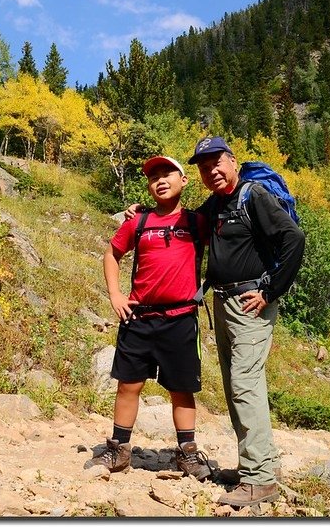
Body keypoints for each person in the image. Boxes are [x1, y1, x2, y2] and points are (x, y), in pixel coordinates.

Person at [125, 137, 305, 507]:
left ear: (233, 161)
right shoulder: (219, 202)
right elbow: (182, 219)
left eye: (217, 164)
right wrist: (145, 210)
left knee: (244, 384)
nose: (212, 172)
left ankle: (260, 480)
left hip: (251, 303)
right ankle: (258, 466)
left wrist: (271, 290)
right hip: (225, 303)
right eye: (205, 168)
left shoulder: (253, 195)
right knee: (237, 384)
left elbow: (294, 238)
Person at [83, 155, 212, 481]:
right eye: (154, 176)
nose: (161, 179)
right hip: (138, 318)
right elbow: (112, 254)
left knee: (182, 389)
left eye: (168, 173)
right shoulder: (137, 222)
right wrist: (115, 294)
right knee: (129, 385)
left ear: (184, 181)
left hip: (181, 318)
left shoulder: (198, 222)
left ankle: (188, 455)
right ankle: (119, 451)